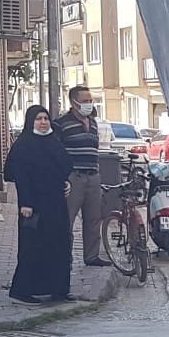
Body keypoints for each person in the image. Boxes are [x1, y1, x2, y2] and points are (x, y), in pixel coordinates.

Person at [4, 104, 75, 305]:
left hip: (56, 203)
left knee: (58, 245)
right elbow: (20, 175)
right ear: (30, 122)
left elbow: (63, 166)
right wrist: (25, 203)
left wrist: (66, 182)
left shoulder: (54, 141)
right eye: (38, 119)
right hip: (34, 206)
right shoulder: (24, 144)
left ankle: (57, 289)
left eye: (45, 118)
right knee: (32, 247)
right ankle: (22, 291)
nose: (43, 123)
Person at [56, 86, 109, 266]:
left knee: (94, 218)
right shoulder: (62, 123)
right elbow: (57, 152)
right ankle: (64, 256)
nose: (89, 104)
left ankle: (92, 256)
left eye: (90, 100)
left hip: (93, 176)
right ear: (73, 102)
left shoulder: (93, 122)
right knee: (67, 219)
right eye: (85, 101)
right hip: (74, 177)